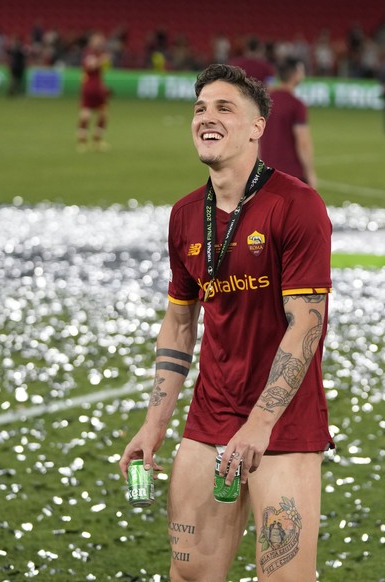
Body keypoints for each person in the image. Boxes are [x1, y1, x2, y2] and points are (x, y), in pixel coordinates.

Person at [119, 63, 333, 581]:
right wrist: (154, 424)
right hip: (209, 417)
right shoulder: (186, 214)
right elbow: (179, 323)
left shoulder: (297, 206)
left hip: (282, 426)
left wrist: (259, 425)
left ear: (257, 126)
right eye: (199, 108)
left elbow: (306, 324)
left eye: (223, 108)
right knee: (190, 575)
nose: (206, 117)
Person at [259, 57, 317, 187]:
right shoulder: (296, 105)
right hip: (292, 174)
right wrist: (310, 173)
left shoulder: (265, 101)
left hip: (266, 173)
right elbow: (303, 142)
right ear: (295, 74)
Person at [77, 33, 110, 151]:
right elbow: (91, 66)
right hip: (92, 86)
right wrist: (102, 60)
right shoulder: (90, 53)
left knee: (94, 112)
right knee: (93, 112)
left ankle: (86, 141)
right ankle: (91, 141)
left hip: (94, 85)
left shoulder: (95, 53)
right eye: (98, 41)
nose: (100, 43)